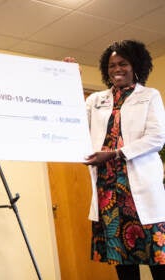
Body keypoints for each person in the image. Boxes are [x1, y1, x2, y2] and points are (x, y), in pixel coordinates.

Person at [84, 40, 165, 279]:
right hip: (108, 191)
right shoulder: (95, 100)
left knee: (157, 259)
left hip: (139, 189)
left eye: (123, 64)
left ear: (135, 65)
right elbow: (73, 122)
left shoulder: (149, 96)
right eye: (111, 65)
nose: (117, 69)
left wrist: (116, 153)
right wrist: (67, 78)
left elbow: (157, 137)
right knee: (123, 263)